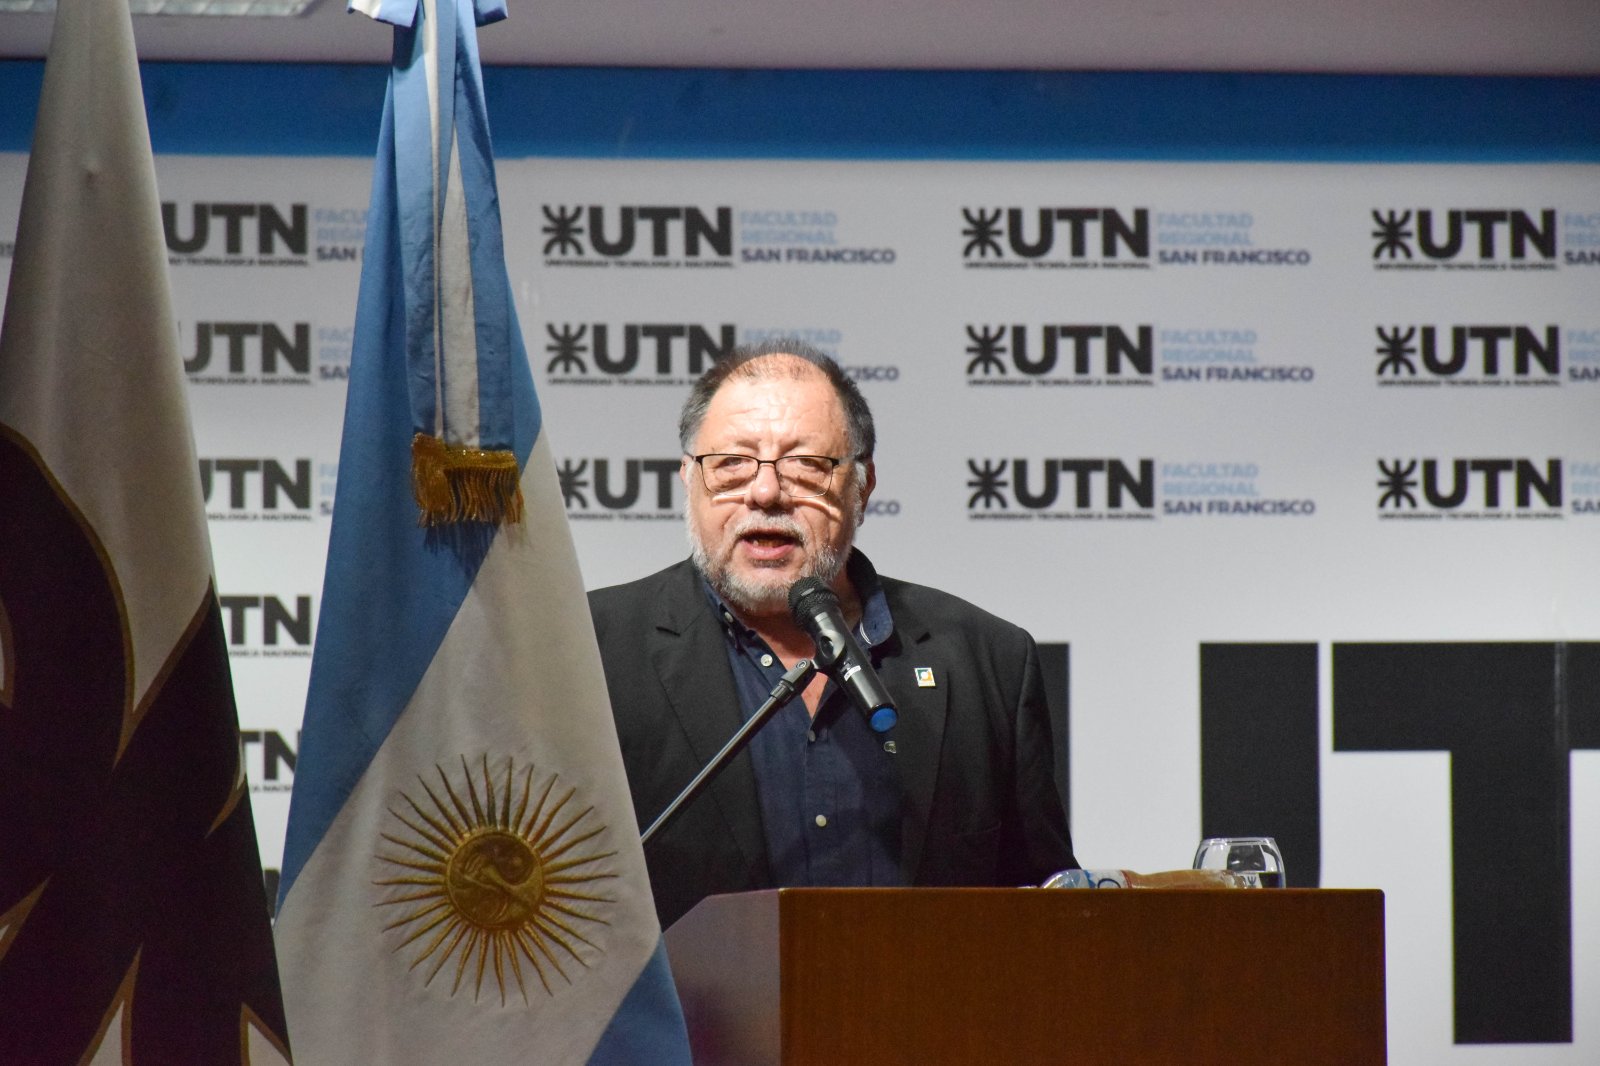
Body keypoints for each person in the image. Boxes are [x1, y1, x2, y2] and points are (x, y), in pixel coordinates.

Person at [588, 341, 1077, 928]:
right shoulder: (593, 653)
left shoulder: (987, 659)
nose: (766, 493)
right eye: (732, 464)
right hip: (695, 1021)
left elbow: (1048, 913)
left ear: (863, 488)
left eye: (807, 464)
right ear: (688, 483)